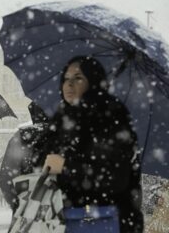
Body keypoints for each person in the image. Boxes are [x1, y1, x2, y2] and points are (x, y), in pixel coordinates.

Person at [42, 56, 143, 232]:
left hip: (107, 221)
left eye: (78, 78)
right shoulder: (60, 119)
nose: (69, 84)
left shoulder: (110, 118)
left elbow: (116, 178)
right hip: (65, 221)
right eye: (66, 79)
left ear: (93, 82)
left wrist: (66, 167)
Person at [0, 101, 50, 212]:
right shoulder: (68, 135)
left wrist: (18, 206)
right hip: (60, 212)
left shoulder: (22, 137)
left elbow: (6, 179)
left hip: (28, 212)